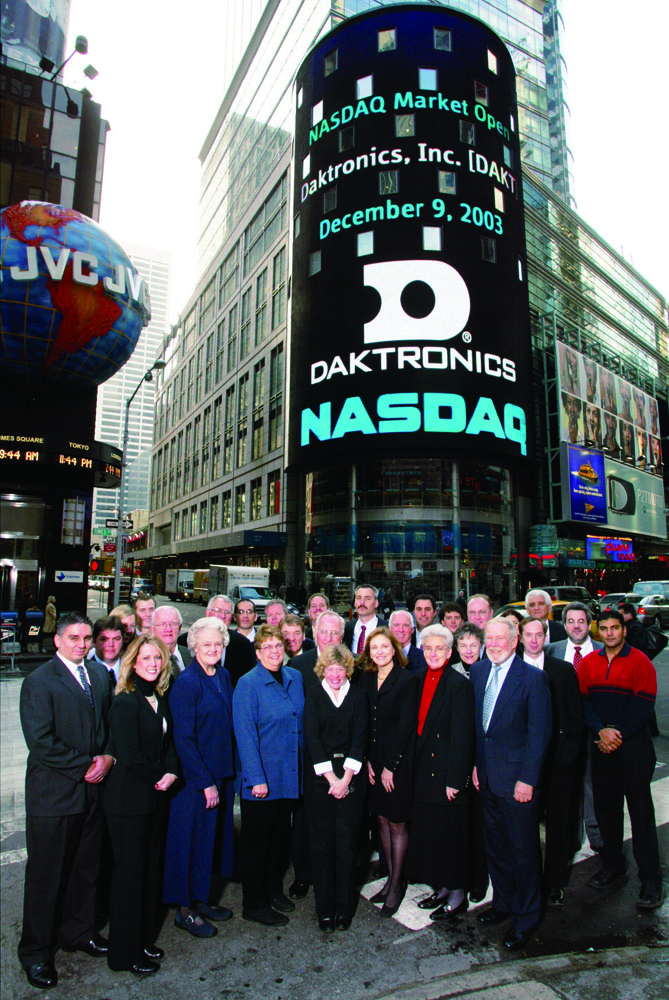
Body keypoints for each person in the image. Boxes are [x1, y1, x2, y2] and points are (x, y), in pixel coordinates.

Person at [18, 613, 114, 990]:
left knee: (86, 869)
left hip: (93, 792)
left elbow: (107, 726)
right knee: (46, 878)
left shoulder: (98, 677)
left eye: (87, 637)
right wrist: (87, 765)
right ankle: (36, 952)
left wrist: (108, 756)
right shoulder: (39, 682)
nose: (82, 644)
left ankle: (79, 932)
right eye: (73, 637)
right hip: (55, 796)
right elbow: (41, 742)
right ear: (57, 640)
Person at [471, 618, 551, 950]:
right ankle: (502, 904)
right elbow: (479, 729)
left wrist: (528, 780)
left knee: (524, 853)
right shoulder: (477, 673)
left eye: (501, 638)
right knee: (497, 849)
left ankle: (526, 918)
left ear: (515, 640)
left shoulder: (533, 679)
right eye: (489, 639)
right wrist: (476, 766)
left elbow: (539, 735)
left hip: (518, 784)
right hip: (487, 779)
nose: (494, 644)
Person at [103, 636, 178, 976]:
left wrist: (172, 772)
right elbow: (130, 755)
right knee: (129, 878)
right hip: (128, 801)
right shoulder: (125, 702)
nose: (152, 663)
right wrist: (160, 775)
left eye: (157, 658)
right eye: (145, 658)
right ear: (132, 663)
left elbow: (169, 743)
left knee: (150, 873)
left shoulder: (158, 697)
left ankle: (143, 939)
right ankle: (123, 953)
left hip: (155, 796)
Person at [579, 611, 663, 910]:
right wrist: (601, 731)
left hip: (634, 748)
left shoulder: (640, 661)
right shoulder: (589, 663)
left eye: (615, 628)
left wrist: (617, 735)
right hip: (601, 747)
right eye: (604, 629)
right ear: (598, 632)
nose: (610, 633)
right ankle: (614, 867)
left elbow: (644, 705)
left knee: (641, 817)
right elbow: (584, 703)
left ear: (624, 630)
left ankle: (651, 881)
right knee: (606, 813)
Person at [164, 617, 235, 938]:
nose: (212, 649)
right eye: (206, 644)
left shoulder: (223, 675)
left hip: (220, 773)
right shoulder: (188, 682)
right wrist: (205, 782)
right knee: (189, 843)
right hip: (196, 782)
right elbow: (184, 738)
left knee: (211, 843)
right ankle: (184, 911)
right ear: (193, 647)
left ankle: (201, 899)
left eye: (217, 644)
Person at [232, 625, 305, 926]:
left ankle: (273, 890)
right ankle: (254, 903)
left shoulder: (294, 677)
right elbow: (245, 735)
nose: (275, 651)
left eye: (278, 645)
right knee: (257, 843)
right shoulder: (247, 684)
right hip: (262, 778)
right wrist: (256, 778)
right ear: (258, 652)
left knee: (279, 840)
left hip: (289, 775)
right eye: (268, 647)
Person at [407, 625, 475, 921]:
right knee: (433, 835)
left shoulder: (458, 684)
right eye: (428, 648)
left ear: (450, 653)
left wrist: (455, 780)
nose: (434, 653)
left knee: (452, 837)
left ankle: (458, 892)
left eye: (440, 649)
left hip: (446, 775)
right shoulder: (417, 679)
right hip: (423, 772)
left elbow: (463, 737)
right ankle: (442, 887)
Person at [518, 616, 584, 907]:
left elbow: (575, 719)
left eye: (538, 634)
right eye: (528, 634)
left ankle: (554, 882)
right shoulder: (511, 669)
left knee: (559, 824)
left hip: (558, 763)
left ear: (545, 637)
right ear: (519, 637)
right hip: (522, 766)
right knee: (525, 826)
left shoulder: (563, 670)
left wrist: (567, 759)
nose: (533, 640)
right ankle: (527, 879)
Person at [303, 644, 368, 931]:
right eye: (330, 669)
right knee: (320, 846)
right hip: (322, 781)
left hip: (350, 779)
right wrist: (332, 780)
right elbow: (312, 739)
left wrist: (346, 780)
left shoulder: (358, 695)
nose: (335, 674)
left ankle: (343, 910)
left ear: (347, 669)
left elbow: (360, 738)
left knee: (346, 846)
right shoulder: (315, 694)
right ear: (322, 670)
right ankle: (324, 911)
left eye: (340, 668)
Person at [357, 627, 418, 917]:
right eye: (374, 648)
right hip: (374, 762)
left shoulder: (407, 681)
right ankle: (390, 878)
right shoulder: (366, 680)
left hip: (398, 764)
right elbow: (364, 724)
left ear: (395, 649)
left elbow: (406, 727)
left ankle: (397, 885)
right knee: (380, 820)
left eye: (385, 647)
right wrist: (368, 761)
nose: (380, 652)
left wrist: (390, 767)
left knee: (396, 823)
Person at [288, 609, 347, 898]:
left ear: (343, 637)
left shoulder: (353, 666)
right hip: (307, 758)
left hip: (342, 761)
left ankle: (334, 873)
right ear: (314, 633)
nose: (329, 637)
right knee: (304, 820)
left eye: (335, 633)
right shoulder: (298, 666)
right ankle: (303, 875)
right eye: (324, 632)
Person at [548, 601, 604, 855]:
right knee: (568, 787)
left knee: (595, 787)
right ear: (563, 624)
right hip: (564, 734)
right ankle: (572, 839)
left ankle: (599, 838)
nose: (576, 626)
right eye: (571, 621)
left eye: (581, 621)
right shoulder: (552, 651)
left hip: (596, 732)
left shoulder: (604, 650)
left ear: (589, 623)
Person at [453, 622, 489, 902]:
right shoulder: (450, 673)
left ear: (482, 647)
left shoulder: (489, 672)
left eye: (473, 645)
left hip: (480, 762)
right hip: (455, 761)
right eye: (462, 645)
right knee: (459, 826)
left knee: (479, 825)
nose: (468, 650)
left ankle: (480, 879)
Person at [179, 595, 257, 686]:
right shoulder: (185, 641)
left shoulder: (243, 644)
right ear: (207, 613)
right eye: (218, 610)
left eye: (227, 612)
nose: (222, 616)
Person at [344, 585, 386, 654]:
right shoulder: (346, 628)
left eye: (368, 599)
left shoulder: (387, 629)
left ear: (376, 603)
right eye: (359, 598)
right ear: (355, 603)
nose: (362, 602)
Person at [88, 615, 125, 687]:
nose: (111, 644)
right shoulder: (85, 673)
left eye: (116, 639)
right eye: (104, 639)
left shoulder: (132, 671)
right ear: (94, 642)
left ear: (122, 641)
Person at [151, 605, 186, 676]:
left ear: (180, 628)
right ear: (152, 629)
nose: (168, 629)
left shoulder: (191, 655)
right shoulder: (147, 659)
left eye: (173, 624)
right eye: (162, 624)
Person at [389, 608, 425, 673]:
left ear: (412, 629)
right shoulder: (381, 656)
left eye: (405, 625)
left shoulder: (424, 658)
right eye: (396, 625)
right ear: (390, 628)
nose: (401, 630)